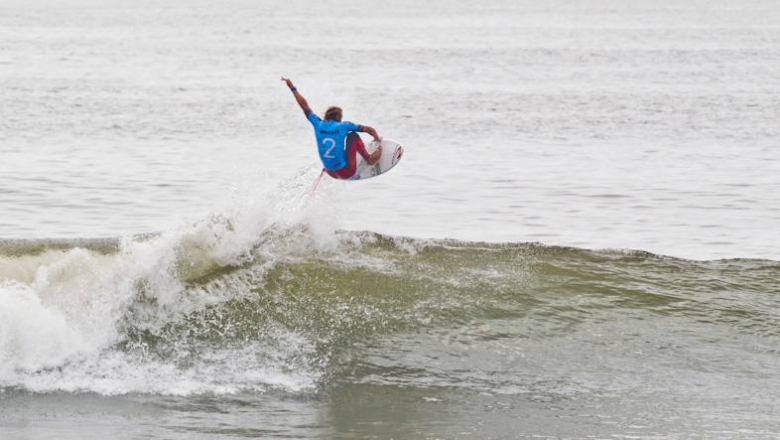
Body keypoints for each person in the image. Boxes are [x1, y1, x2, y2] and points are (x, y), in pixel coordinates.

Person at [282, 77, 381, 180]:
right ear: (338, 117)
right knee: (352, 135)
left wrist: (292, 87)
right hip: (347, 172)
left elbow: (304, 105)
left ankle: (334, 164)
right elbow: (370, 130)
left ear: (326, 116)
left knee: (339, 144)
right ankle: (369, 159)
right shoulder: (344, 125)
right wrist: (377, 139)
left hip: (330, 172)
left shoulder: (317, 123)